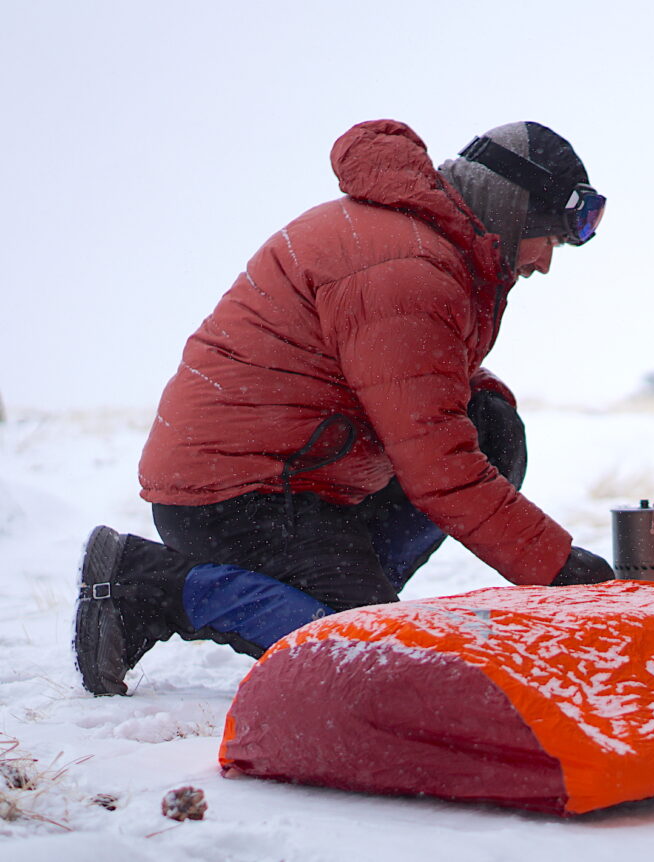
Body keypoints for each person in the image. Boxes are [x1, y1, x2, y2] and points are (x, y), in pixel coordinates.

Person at [74, 119, 614, 696]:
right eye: (552, 239)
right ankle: (143, 584)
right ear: (515, 210)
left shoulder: (429, 247)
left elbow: (421, 392)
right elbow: (440, 467)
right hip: (233, 496)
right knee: (369, 655)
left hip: (303, 477)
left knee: (490, 424)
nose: (545, 264)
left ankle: (353, 592)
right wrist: (560, 570)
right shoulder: (405, 267)